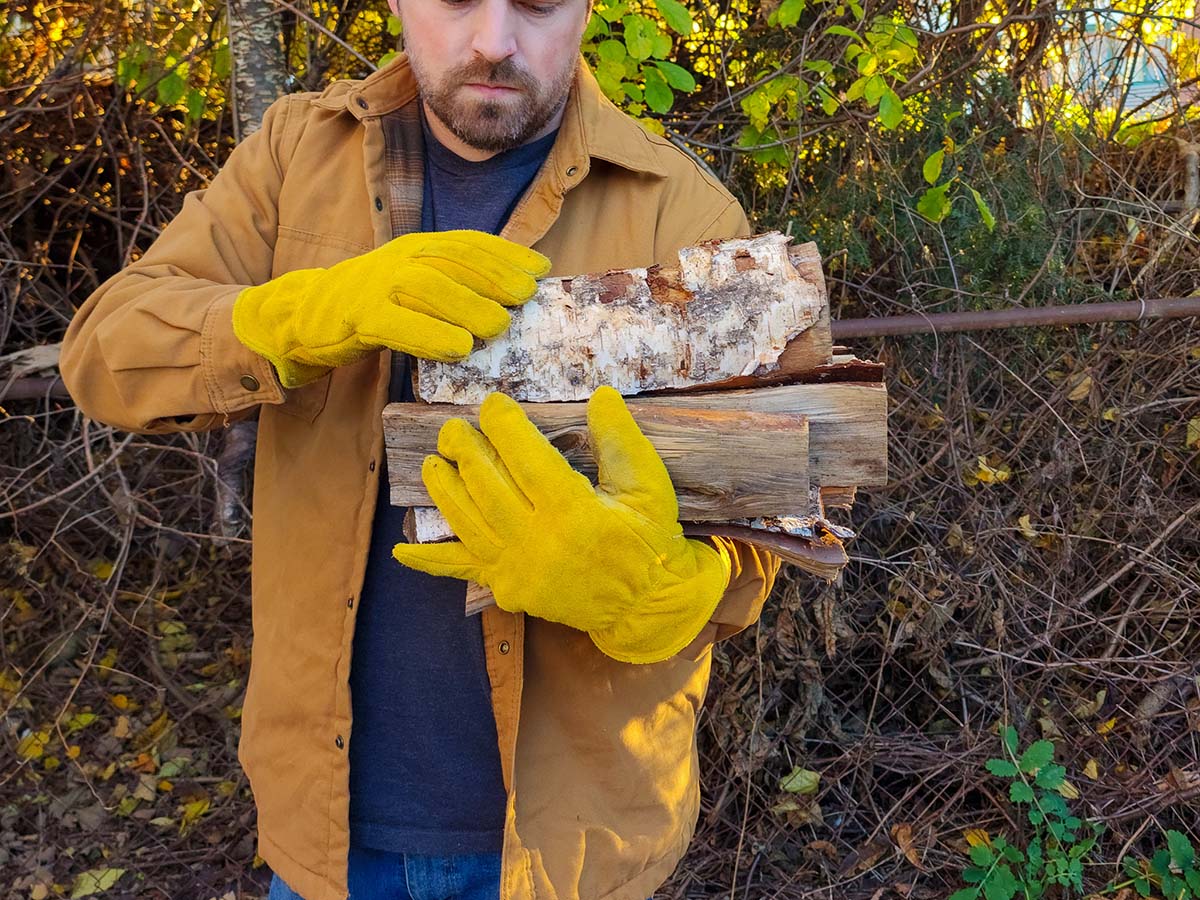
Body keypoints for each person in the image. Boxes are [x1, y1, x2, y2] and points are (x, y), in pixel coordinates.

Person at [59, 0, 780, 897]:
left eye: (539, 5)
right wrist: (305, 313)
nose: (494, 41)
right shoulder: (296, 154)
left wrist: (656, 591)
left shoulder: (682, 207)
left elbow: (767, 530)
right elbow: (105, 354)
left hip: (569, 848)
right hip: (328, 838)